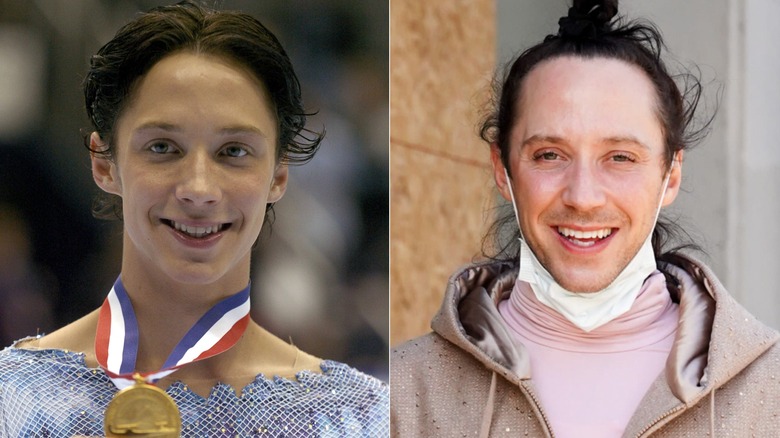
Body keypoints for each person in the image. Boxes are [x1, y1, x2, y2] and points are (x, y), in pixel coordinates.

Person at [391, 0, 779, 436]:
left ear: (671, 174)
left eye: (619, 157)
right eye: (549, 155)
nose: (583, 197)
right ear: (503, 170)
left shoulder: (770, 390)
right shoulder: (407, 392)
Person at [0, 2, 388, 436]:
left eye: (234, 152)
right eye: (163, 148)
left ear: (278, 175)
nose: (199, 189)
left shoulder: (362, 417)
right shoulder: (11, 400)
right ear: (104, 163)